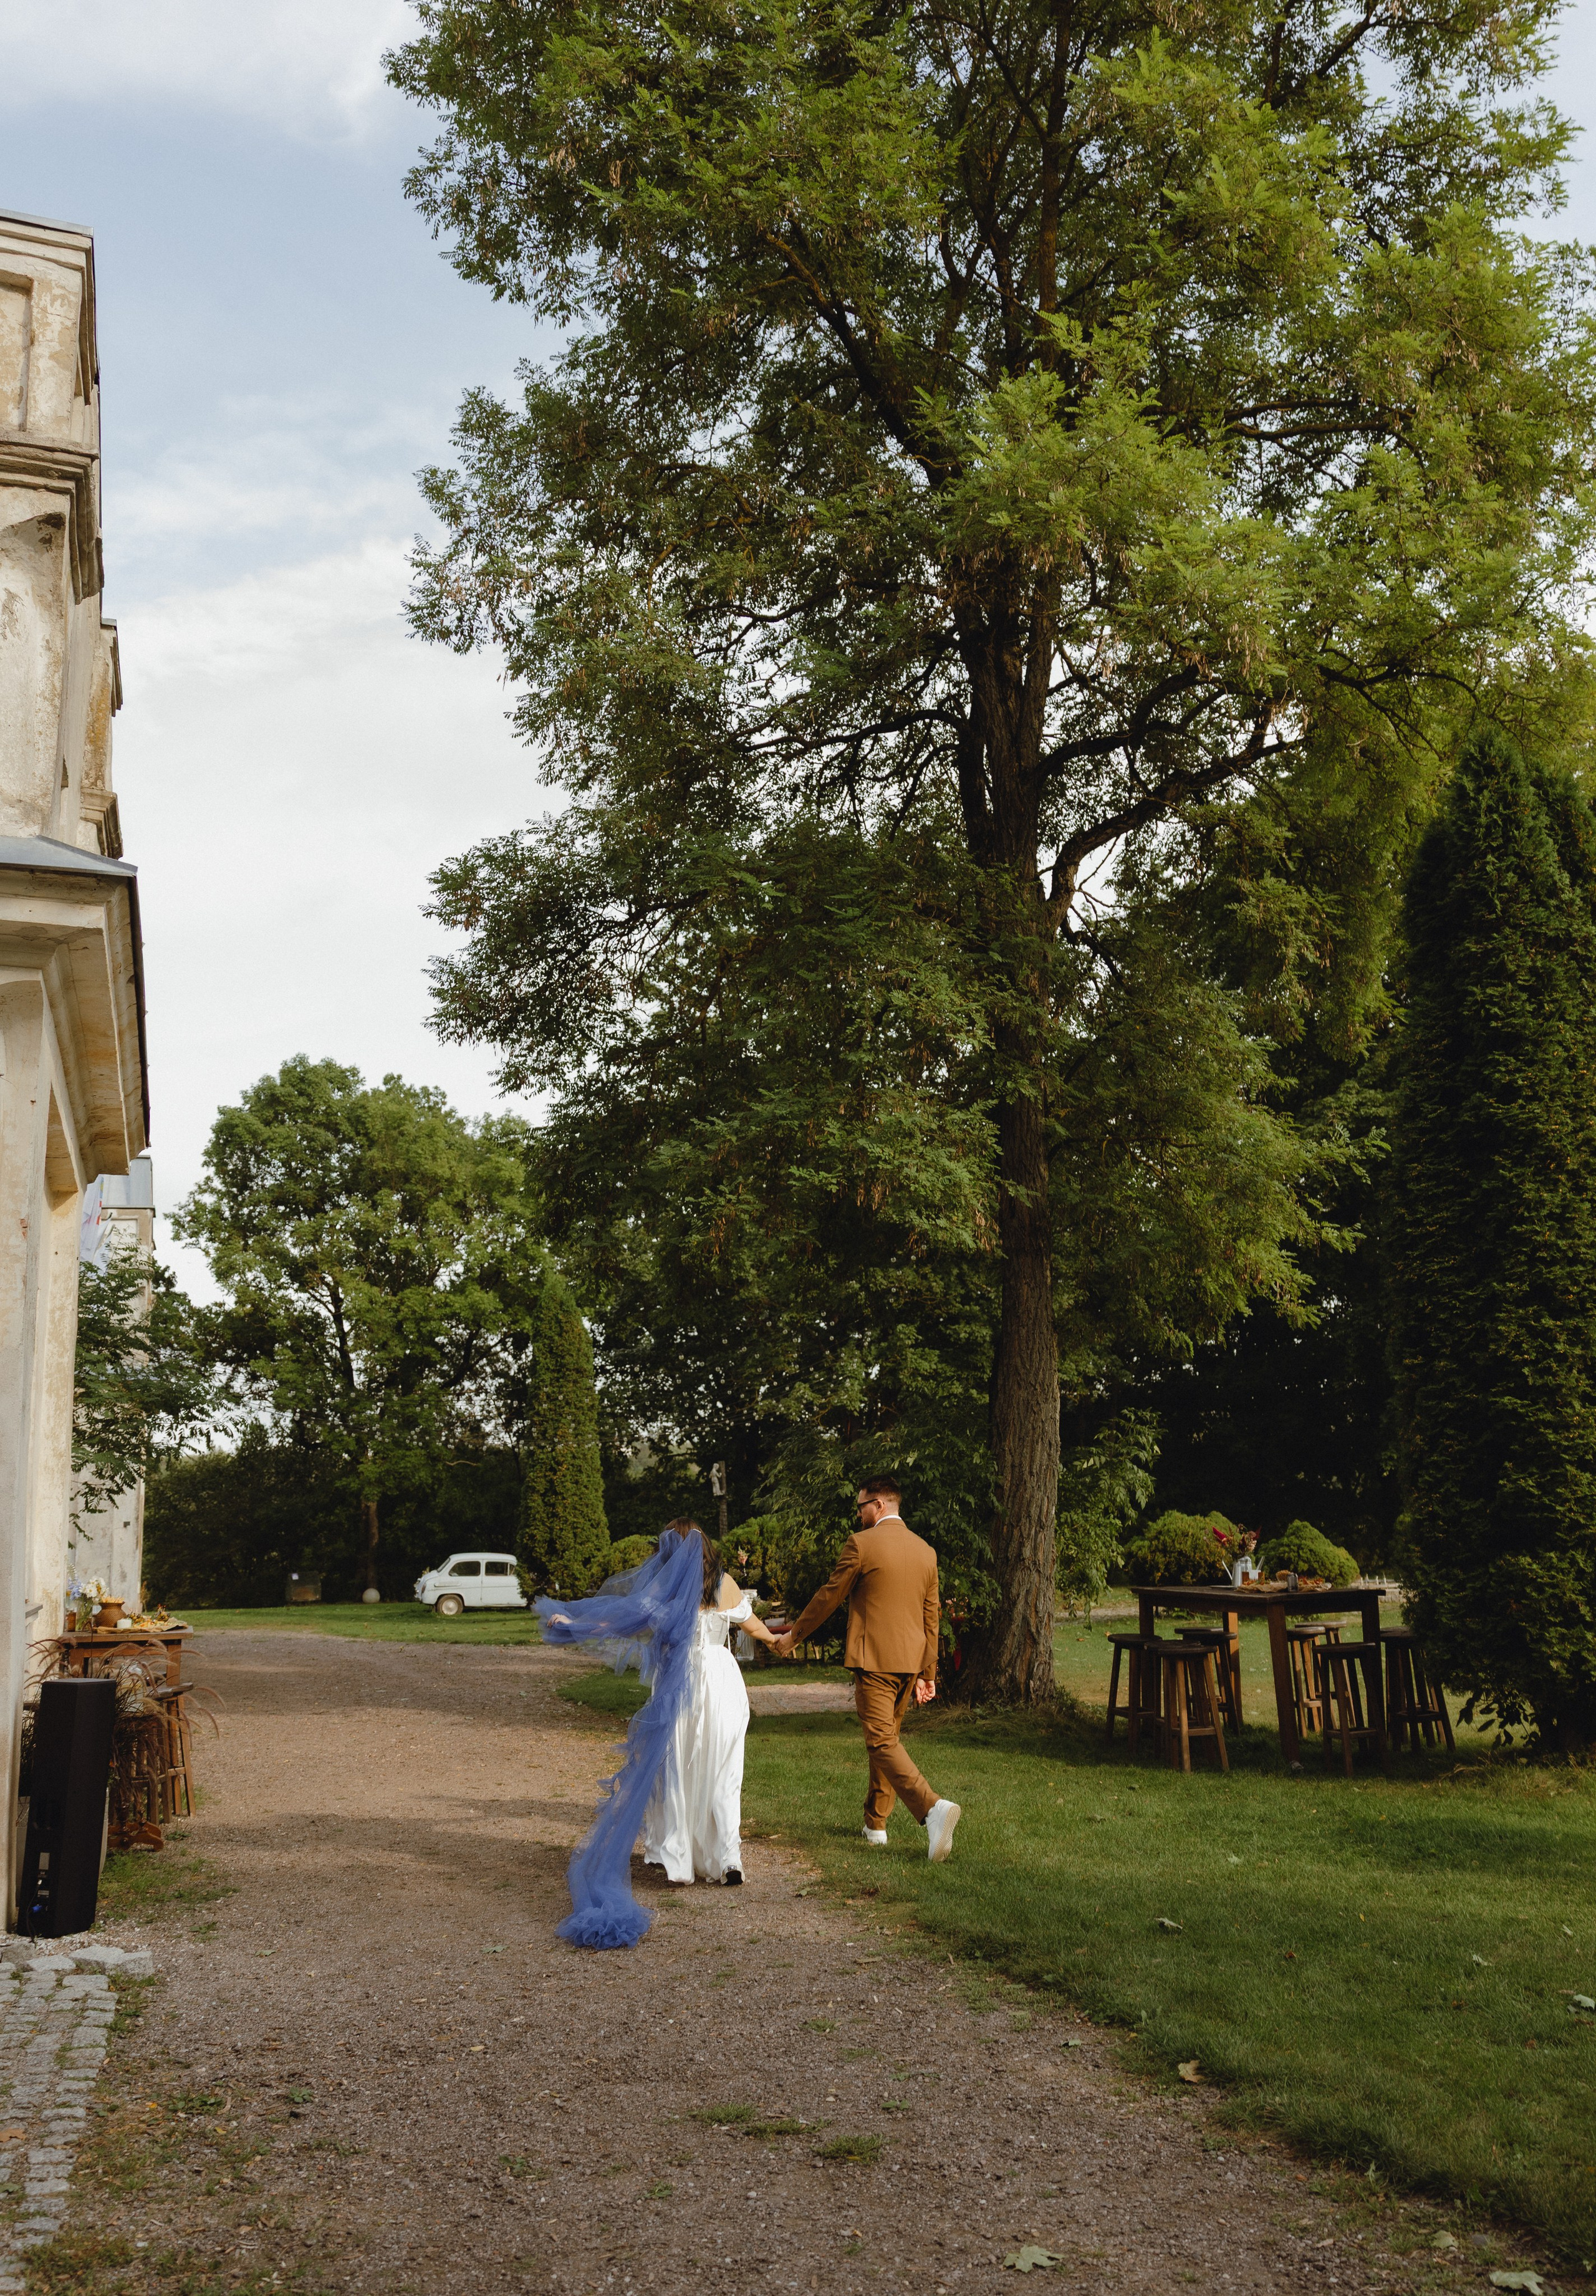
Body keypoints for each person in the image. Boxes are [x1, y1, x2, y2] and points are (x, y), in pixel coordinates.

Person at [539, 1520, 779, 1946]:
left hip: (679, 1683)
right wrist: (784, 1640)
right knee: (726, 1770)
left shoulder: (664, 1590)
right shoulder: (725, 1584)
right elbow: (756, 1627)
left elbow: (620, 1623)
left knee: (678, 1768)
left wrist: (575, 1624)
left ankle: (680, 1861)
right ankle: (728, 1859)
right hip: (722, 1681)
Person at [772, 1477, 962, 1861]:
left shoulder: (861, 1544)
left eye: (861, 1507)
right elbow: (931, 1618)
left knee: (881, 1742)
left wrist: (793, 1636)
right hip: (910, 1665)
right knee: (888, 1740)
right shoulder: (926, 1551)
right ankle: (876, 1824)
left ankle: (932, 1809)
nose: (858, 1514)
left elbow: (830, 1596)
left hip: (874, 1661)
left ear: (878, 1505)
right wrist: (928, 1674)